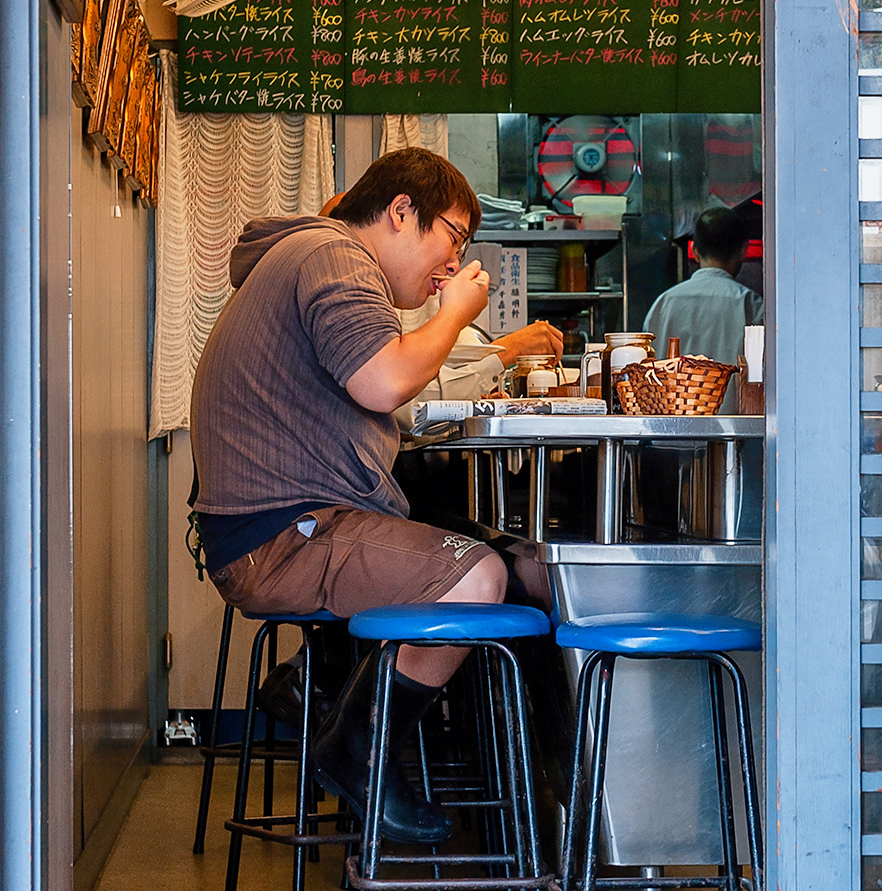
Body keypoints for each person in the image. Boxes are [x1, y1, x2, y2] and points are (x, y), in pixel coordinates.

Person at [190, 148, 561, 844]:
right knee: (479, 577)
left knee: (500, 558)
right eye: (453, 236)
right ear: (400, 210)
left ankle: (333, 704)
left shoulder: (314, 256)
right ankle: (354, 747)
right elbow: (384, 382)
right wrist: (454, 314)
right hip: (279, 536)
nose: (452, 264)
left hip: (286, 524)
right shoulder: (335, 258)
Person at [642, 205, 763, 368]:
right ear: (743, 250)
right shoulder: (752, 306)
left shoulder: (663, 305)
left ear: (695, 250)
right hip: (734, 395)